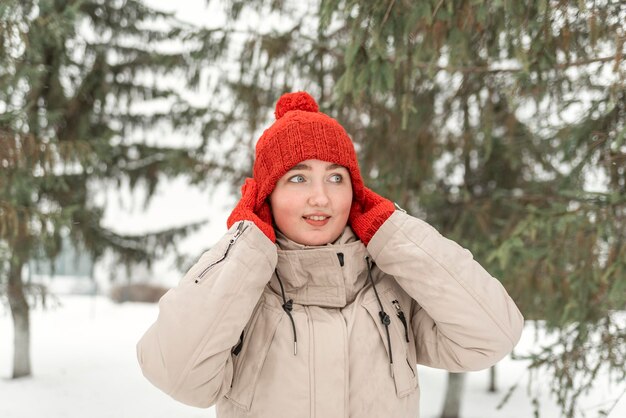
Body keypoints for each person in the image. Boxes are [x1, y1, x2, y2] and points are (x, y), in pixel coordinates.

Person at [136, 91, 524, 417]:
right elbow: (180, 377)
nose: (321, 197)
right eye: (298, 178)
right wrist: (247, 243)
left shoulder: (391, 290)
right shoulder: (243, 290)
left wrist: (392, 230)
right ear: (267, 194)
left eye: (336, 178)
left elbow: (492, 335)